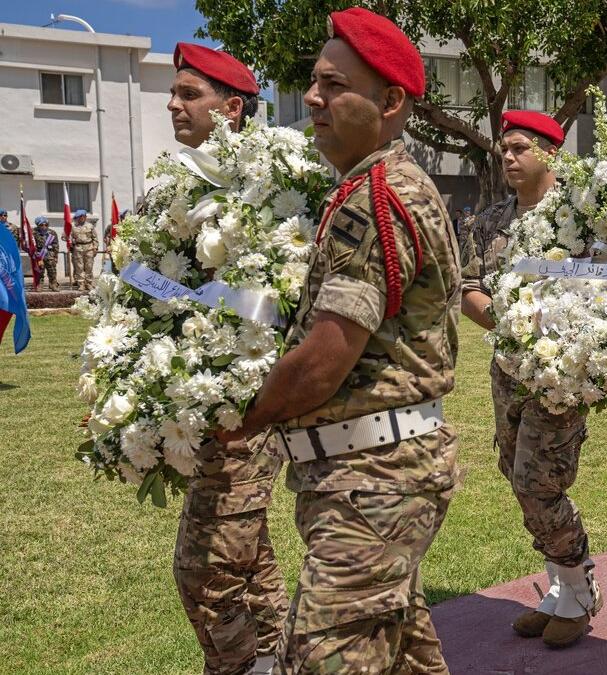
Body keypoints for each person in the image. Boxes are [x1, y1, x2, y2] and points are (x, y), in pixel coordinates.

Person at [217, 9, 461, 672]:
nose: (315, 98)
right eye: (314, 82)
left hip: (375, 481)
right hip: (376, 475)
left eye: (334, 85)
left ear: (389, 102)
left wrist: (242, 415)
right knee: (405, 656)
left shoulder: (374, 197)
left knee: (321, 657)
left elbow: (325, 359)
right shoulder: (370, 188)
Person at [166, 42, 287, 675]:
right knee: (253, 566)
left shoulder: (265, 190)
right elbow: (152, 284)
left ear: (231, 108)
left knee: (205, 574)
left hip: (246, 406)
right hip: (197, 404)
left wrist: (188, 297)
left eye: (191, 94)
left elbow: (276, 300)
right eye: (175, 93)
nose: (174, 105)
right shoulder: (180, 186)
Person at [460, 110, 601, 648]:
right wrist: (509, 321)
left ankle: (579, 589)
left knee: (537, 482)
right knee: (515, 471)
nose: (508, 157)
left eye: (520, 147)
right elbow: (470, 287)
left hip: (560, 375)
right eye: (505, 148)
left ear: (551, 153)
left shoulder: (582, 218)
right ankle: (563, 586)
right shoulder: (492, 220)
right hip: (508, 368)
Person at [68, 209, 97, 292]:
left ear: (85, 217)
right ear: (77, 218)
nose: (81, 218)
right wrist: (70, 240)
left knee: (89, 266)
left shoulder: (90, 226)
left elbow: (95, 238)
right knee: (79, 267)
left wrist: (95, 247)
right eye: (80, 217)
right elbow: (65, 236)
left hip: (89, 248)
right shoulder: (73, 226)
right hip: (78, 248)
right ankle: (81, 284)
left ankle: (89, 283)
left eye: (83, 216)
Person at [32, 216, 59, 291]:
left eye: (46, 224)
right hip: (39, 254)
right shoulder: (33, 232)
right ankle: (40, 285)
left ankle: (53, 284)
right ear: (38, 225)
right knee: (40, 270)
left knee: (52, 270)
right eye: (41, 225)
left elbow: (56, 245)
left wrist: (55, 255)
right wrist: (35, 253)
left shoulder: (52, 233)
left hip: (50, 254)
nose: (44, 226)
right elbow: (32, 244)